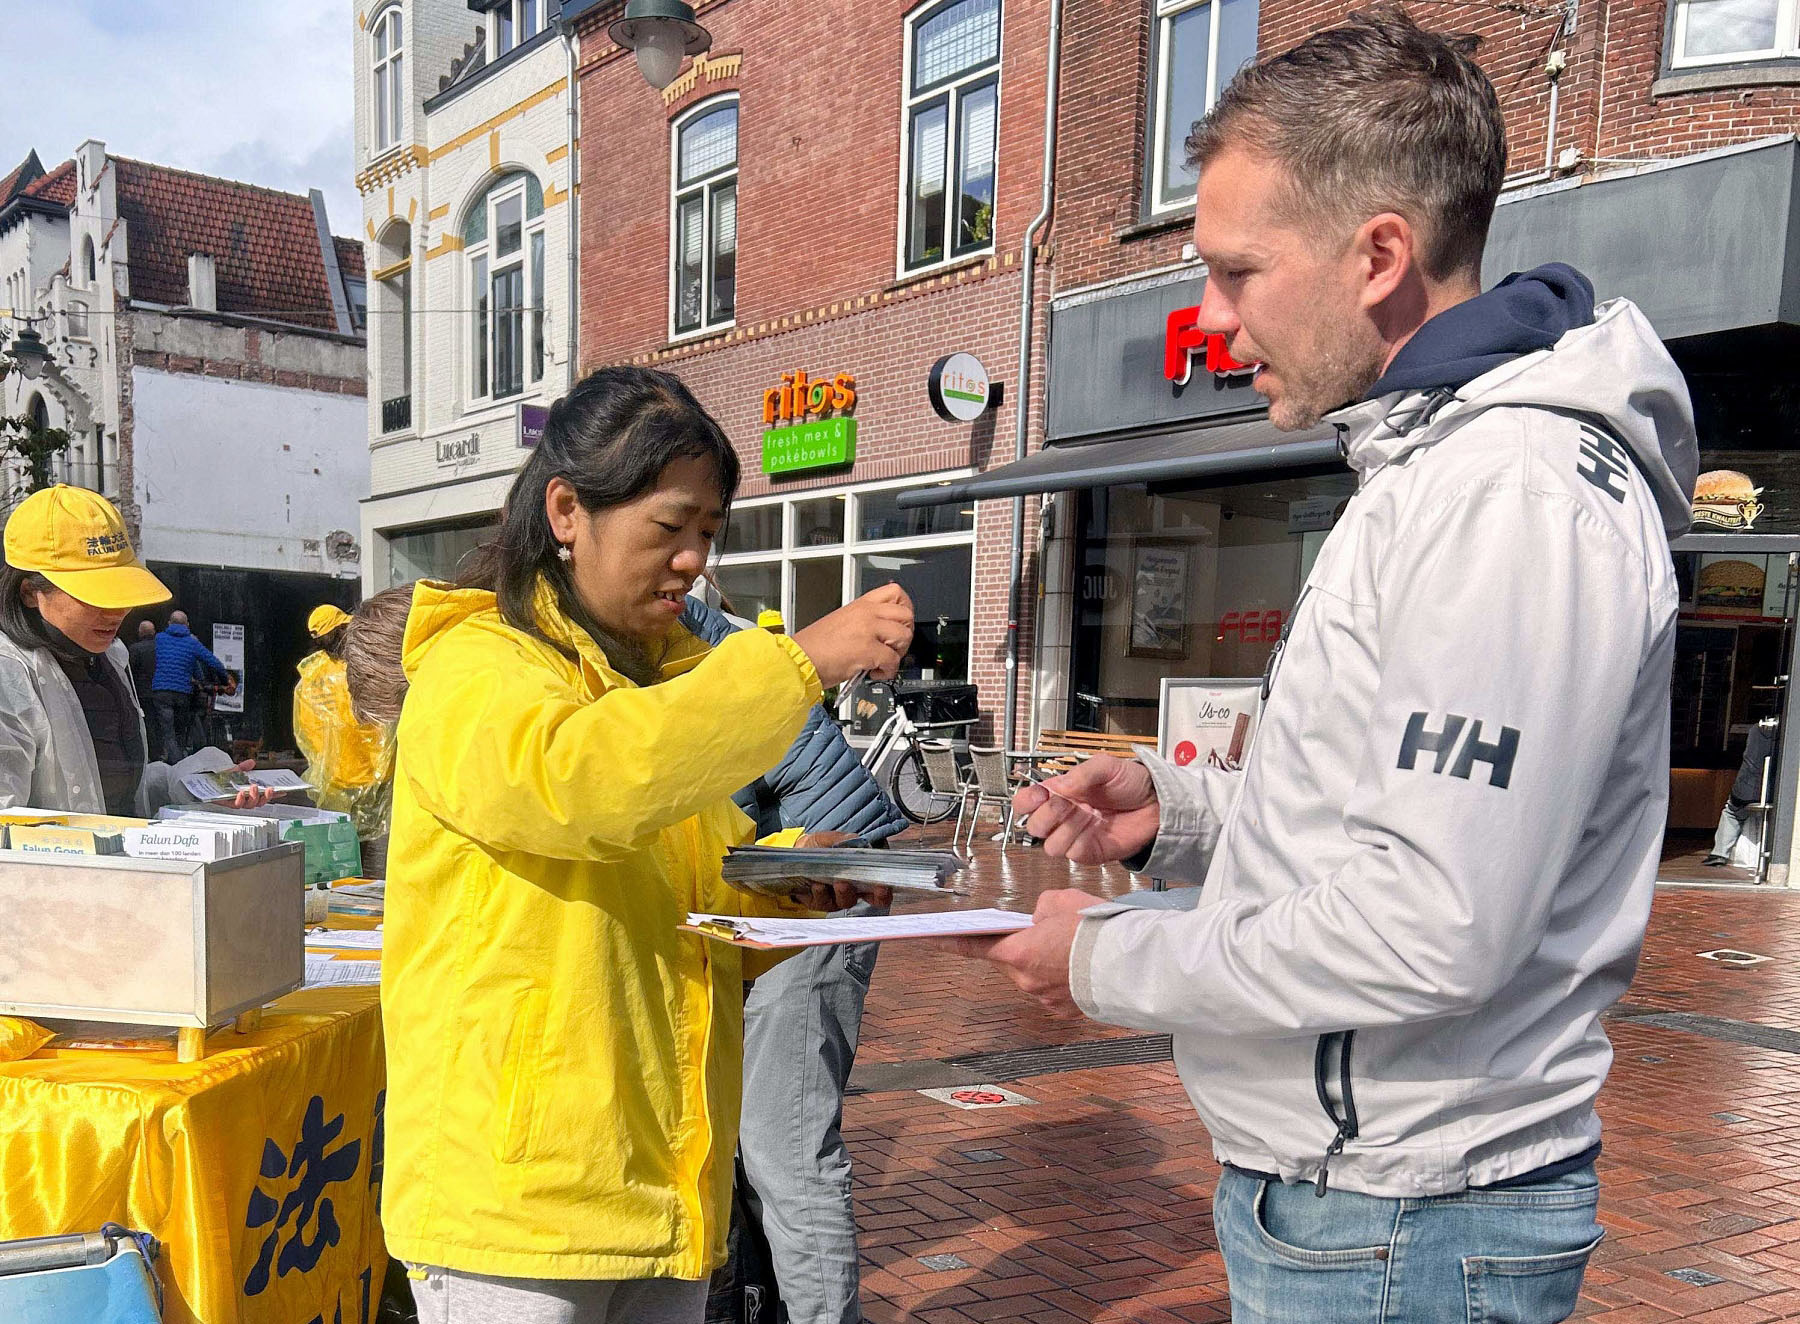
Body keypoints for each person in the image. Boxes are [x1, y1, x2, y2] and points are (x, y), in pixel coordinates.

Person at [956, 13, 1697, 1322]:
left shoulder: (1506, 498)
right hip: (1372, 1203)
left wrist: (1108, 957)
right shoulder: (1441, 470)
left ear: (1380, 256)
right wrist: (1178, 811)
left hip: (1400, 1217)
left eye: (1236, 271)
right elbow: (1391, 818)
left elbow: (1430, 924)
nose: (1211, 320)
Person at [380, 365, 914, 1324]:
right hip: (517, 1207)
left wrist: (786, 878)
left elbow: (681, 879)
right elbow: (579, 786)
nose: (693, 560)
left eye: (709, 532)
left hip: (655, 1184)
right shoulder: (476, 665)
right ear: (567, 511)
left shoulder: (651, 684)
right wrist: (796, 663)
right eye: (670, 527)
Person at [684, 586, 908, 1324]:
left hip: (822, 887)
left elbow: (697, 814)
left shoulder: (687, 649)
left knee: (784, 1142)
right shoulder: (665, 636)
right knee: (754, 1135)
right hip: (781, 881)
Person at [0, 485, 271, 815]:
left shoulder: (110, 658)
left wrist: (194, 783)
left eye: (121, 593)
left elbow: (126, 794)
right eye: (94, 595)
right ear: (30, 592)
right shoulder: (8, 676)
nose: (116, 612)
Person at [293, 602, 394, 845]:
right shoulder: (360, 667)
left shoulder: (313, 675)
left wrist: (325, 762)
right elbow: (380, 720)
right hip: (366, 772)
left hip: (340, 775)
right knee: (366, 841)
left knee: (343, 843)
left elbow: (307, 728)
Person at [149, 609, 230, 764]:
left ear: (169, 623)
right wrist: (225, 679)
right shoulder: (192, 643)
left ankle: (174, 762)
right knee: (181, 731)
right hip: (182, 693)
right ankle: (180, 763)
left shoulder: (159, 638)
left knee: (167, 731)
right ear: (187, 624)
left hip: (162, 691)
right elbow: (212, 661)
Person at [1705, 713, 1781, 867]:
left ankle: (1719, 853)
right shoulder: (1786, 733)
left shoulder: (1755, 730)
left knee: (1732, 811)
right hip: (1774, 790)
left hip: (1746, 788)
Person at [127, 619, 158, 705]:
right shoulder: (162, 647)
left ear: (140, 632)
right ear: (154, 632)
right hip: (160, 689)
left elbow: (131, 670)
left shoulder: (135, 649)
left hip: (142, 690)